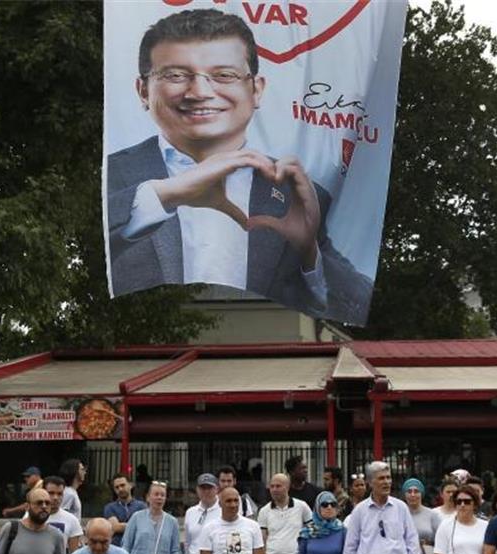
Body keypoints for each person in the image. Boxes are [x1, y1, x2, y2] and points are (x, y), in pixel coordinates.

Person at [106, 8, 373, 323]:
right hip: (139, 357)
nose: (200, 92)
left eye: (224, 75)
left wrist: (308, 251)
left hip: (258, 362)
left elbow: (353, 306)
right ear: (142, 91)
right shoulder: (110, 178)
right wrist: (160, 197)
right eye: (176, 75)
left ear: (256, 89)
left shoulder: (299, 193)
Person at [103, 472, 146, 546]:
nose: (120, 489)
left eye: (123, 485)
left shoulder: (142, 506)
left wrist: (122, 526)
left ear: (131, 485)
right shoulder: (109, 507)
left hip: (137, 547)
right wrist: (136, 526)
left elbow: (144, 527)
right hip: (117, 547)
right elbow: (115, 527)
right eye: (117, 487)